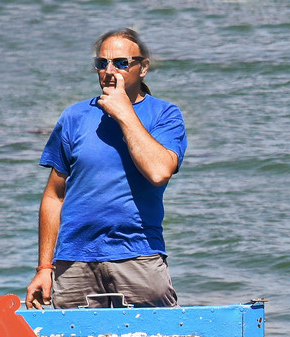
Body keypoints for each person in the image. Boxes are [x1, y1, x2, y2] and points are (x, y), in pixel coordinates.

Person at [25, 28, 186, 308]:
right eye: (102, 63)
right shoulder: (75, 116)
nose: (110, 71)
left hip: (139, 256)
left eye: (121, 63)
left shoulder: (164, 114)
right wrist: (44, 268)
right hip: (75, 262)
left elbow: (159, 171)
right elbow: (54, 195)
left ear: (143, 67)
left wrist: (124, 112)